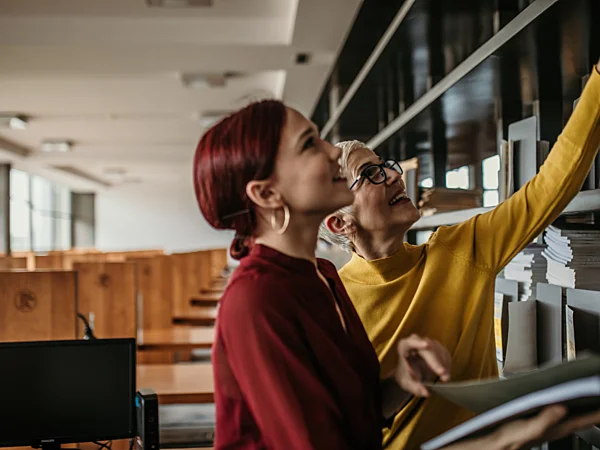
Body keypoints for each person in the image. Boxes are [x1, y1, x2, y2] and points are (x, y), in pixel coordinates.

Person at [193, 98, 600, 450]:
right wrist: (499, 441)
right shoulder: (257, 300)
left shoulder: (320, 277)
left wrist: (400, 383)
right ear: (267, 194)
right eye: (309, 144)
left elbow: (357, 420)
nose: (332, 152)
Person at [319, 63, 600, 449]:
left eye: (387, 165)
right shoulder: (332, 302)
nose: (395, 176)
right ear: (340, 223)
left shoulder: (461, 249)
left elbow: (549, 187)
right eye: (371, 174)